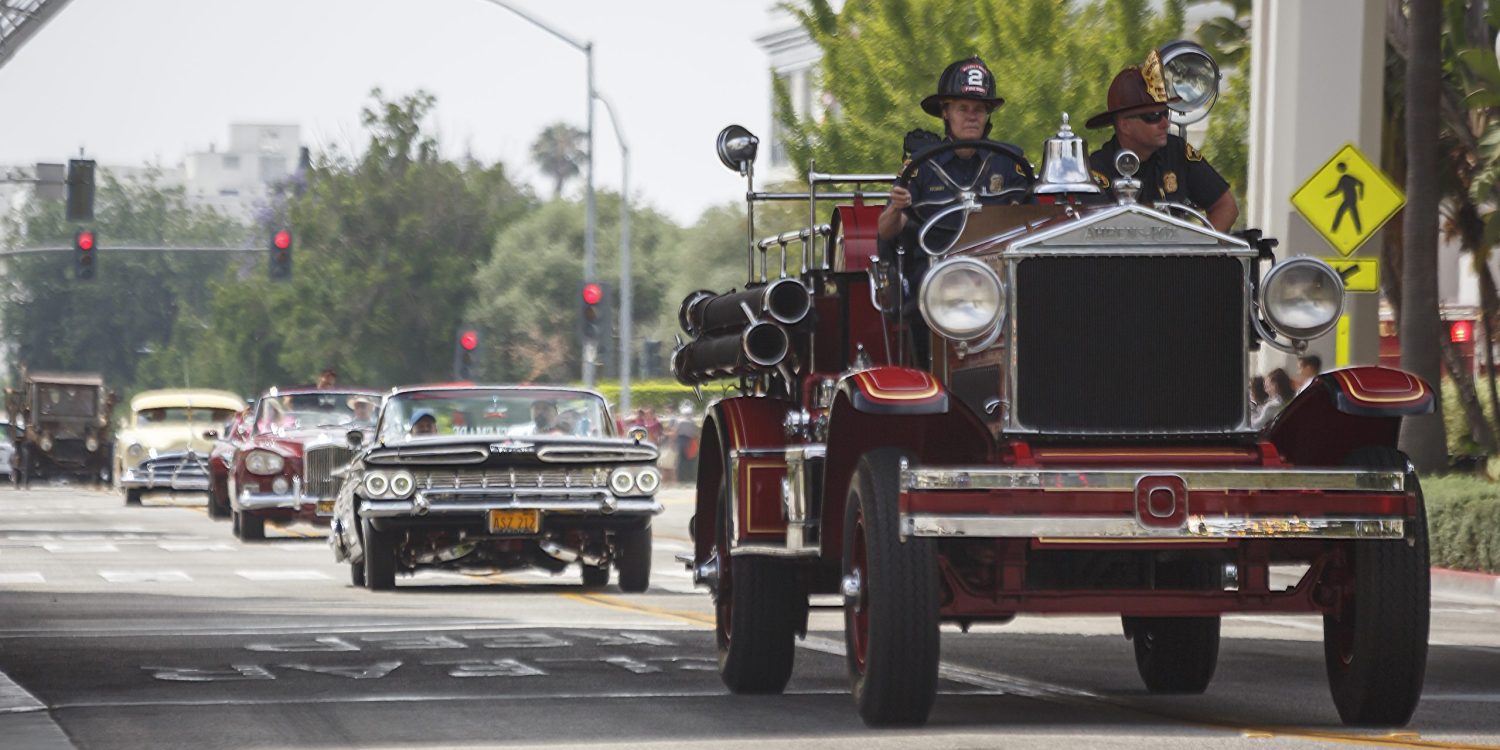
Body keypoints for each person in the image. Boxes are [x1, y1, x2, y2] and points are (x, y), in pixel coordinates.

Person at [878, 56, 1029, 246]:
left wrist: (1017, 211)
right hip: (934, 266)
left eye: (979, 110)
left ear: (987, 115)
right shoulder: (922, 165)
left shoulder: (1009, 161)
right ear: (945, 112)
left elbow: (1033, 224)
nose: (971, 117)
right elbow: (885, 232)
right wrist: (897, 209)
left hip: (995, 266)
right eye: (963, 109)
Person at [1086, 51, 1239, 233]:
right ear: (1124, 125)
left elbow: (1226, 207)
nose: (1165, 123)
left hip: (1174, 260)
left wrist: (1196, 253)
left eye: (1165, 113)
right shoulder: (1096, 171)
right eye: (1153, 116)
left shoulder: (1177, 152)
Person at [673, 401, 701, 485]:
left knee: (682, 460)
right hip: (689, 440)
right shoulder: (692, 422)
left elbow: (675, 432)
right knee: (689, 460)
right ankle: (689, 477)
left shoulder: (680, 421)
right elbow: (696, 433)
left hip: (682, 440)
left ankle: (682, 478)